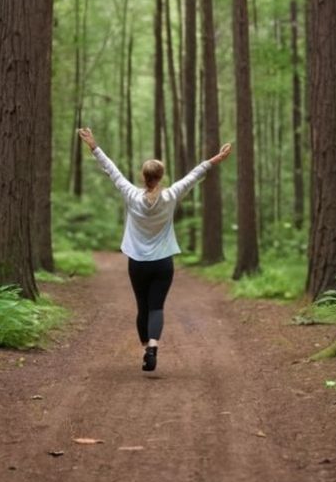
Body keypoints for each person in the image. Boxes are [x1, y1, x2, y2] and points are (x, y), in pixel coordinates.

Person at [77, 127, 232, 372]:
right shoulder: (170, 196)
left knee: (143, 306)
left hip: (137, 263)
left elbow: (111, 170)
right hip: (162, 263)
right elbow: (194, 175)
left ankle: (145, 348)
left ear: (143, 176)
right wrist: (217, 159)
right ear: (161, 176)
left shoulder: (131, 195)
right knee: (157, 306)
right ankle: (153, 345)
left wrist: (93, 146)